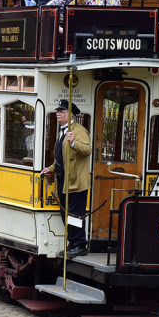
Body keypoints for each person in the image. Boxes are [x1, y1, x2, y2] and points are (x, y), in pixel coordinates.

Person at [40, 101, 90, 254]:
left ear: (71, 115)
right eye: (58, 111)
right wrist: (51, 168)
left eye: (62, 111)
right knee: (65, 213)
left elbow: (87, 149)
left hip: (76, 181)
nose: (58, 113)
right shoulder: (62, 131)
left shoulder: (79, 130)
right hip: (64, 180)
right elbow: (61, 158)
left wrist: (74, 143)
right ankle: (73, 242)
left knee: (74, 214)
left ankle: (80, 244)